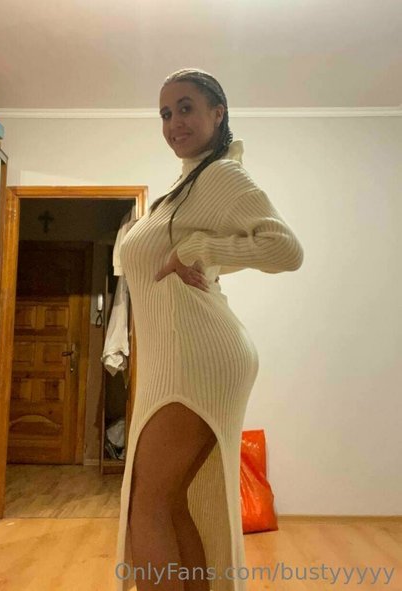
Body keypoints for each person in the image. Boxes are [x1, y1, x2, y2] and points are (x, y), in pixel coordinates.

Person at [115, 68, 304, 591]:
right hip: (176, 355)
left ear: (217, 114)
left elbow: (286, 249)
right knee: (168, 500)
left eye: (186, 108)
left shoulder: (222, 175)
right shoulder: (188, 185)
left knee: (146, 503)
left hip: (196, 354)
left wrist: (200, 247)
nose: (174, 122)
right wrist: (202, 252)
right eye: (165, 113)